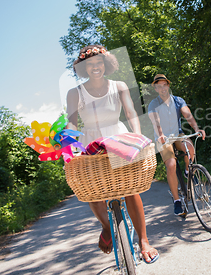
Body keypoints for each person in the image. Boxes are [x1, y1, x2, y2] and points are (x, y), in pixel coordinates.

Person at [66, 45, 158, 263]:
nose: (95, 67)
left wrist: (138, 138)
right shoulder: (74, 92)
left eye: (99, 63)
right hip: (89, 141)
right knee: (93, 190)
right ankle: (107, 227)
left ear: (106, 65)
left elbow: (130, 112)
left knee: (130, 188)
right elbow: (72, 121)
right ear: (83, 68)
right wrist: (71, 147)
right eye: (90, 64)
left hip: (118, 138)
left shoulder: (119, 86)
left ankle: (144, 240)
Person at [147, 74, 206, 216]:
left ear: (168, 85)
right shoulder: (153, 104)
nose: (162, 88)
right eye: (159, 86)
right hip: (163, 138)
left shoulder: (178, 101)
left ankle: (187, 170)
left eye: (164, 85)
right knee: (171, 165)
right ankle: (177, 201)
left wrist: (196, 129)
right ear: (156, 88)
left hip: (177, 135)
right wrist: (160, 134)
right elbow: (156, 121)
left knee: (190, 147)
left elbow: (187, 114)